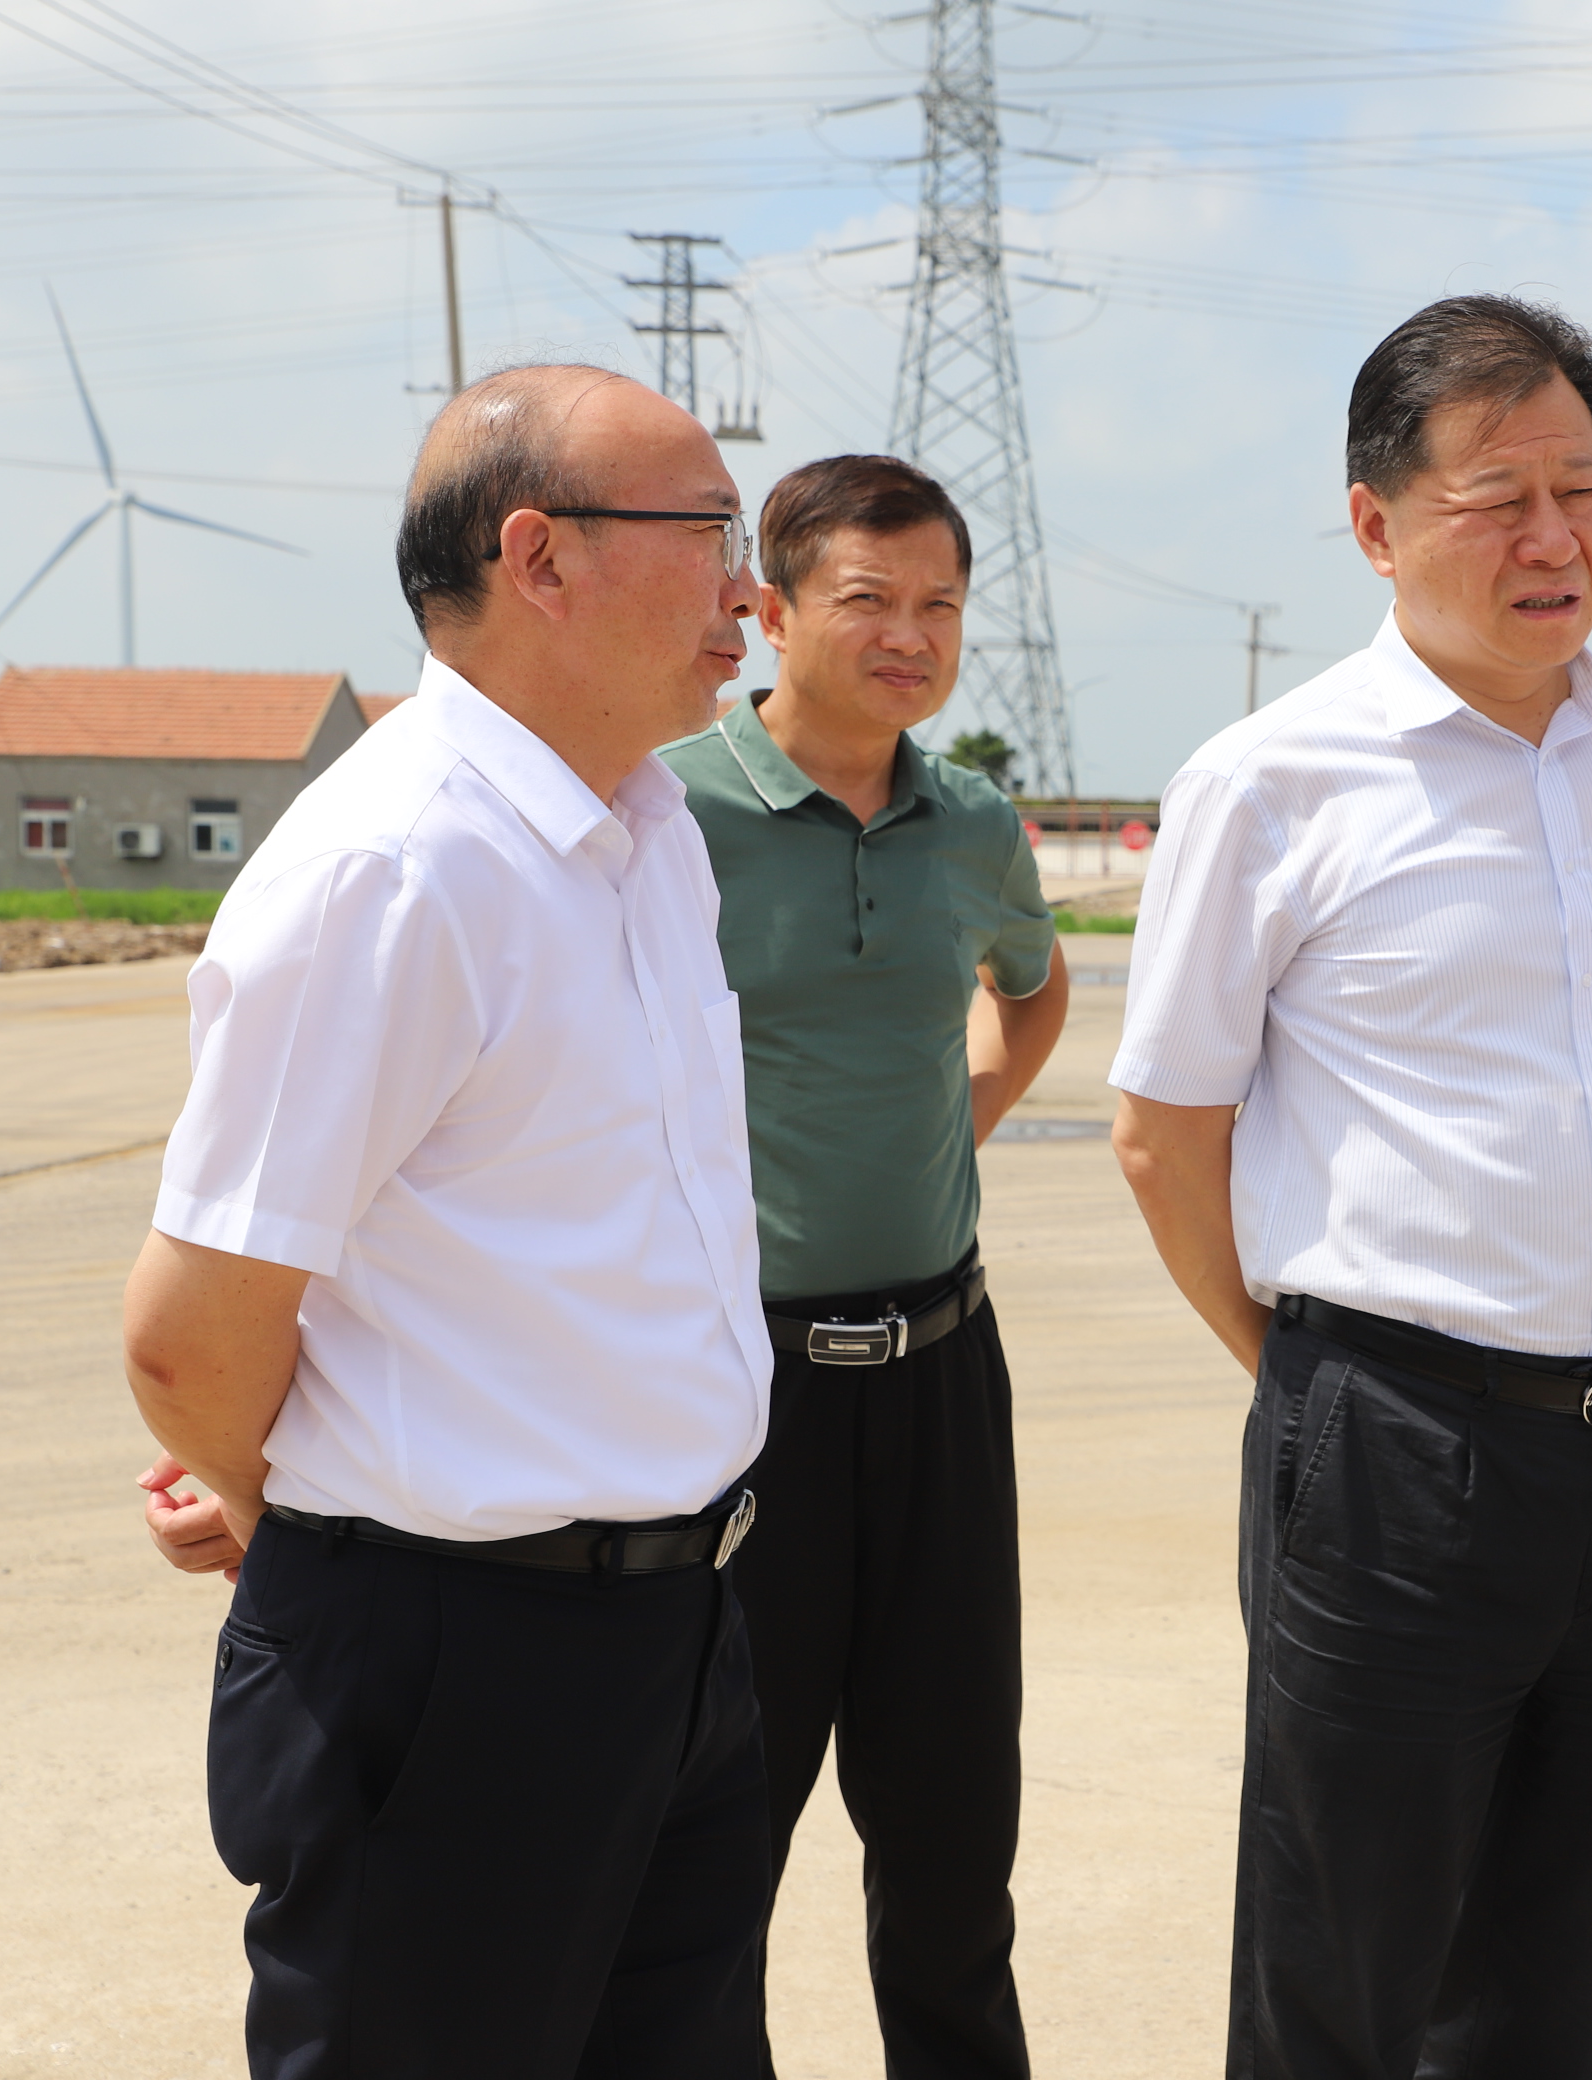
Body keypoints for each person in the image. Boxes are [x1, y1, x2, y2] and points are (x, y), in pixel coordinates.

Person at [1109, 295, 1592, 2080]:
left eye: (1582, 488)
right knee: (1341, 1980)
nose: (1553, 538)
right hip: (1393, 1451)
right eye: (1497, 497)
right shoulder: (1271, 782)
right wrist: (1317, 1390)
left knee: (1565, 1974)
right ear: (1376, 523)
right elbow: (1164, 1133)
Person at [127, 364, 776, 2075]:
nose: (751, 589)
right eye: (711, 533)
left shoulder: (649, 833)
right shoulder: (397, 868)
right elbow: (192, 1335)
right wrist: (307, 1520)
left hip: (679, 1635)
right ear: (540, 557)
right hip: (454, 1669)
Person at [657, 453, 1068, 2080]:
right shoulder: (662, 811)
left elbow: (1030, 987)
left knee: (956, 1835)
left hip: (945, 1381)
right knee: (717, 1838)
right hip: (739, 1396)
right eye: (869, 600)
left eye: (942, 604)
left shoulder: (972, 823)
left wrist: (960, 1119)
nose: (912, 635)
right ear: (769, 610)